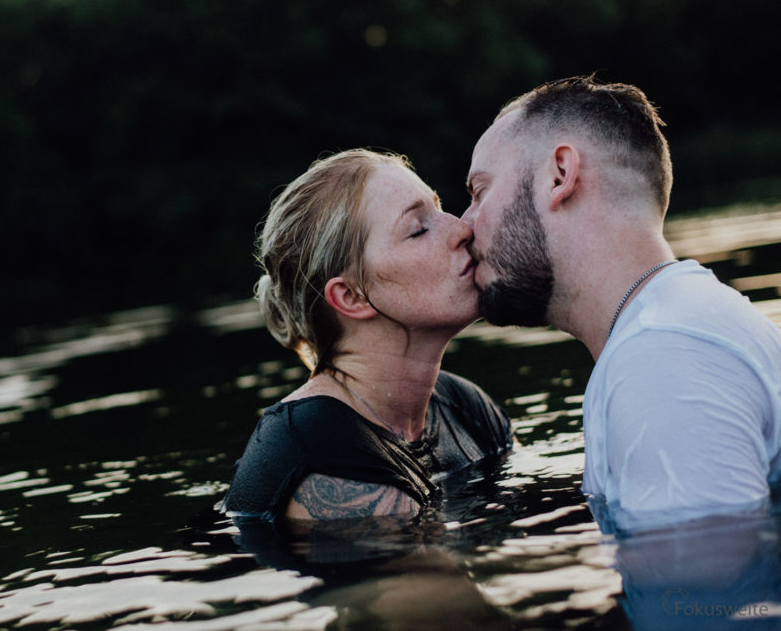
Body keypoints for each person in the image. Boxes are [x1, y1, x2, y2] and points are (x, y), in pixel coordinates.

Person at [461, 75, 781, 527]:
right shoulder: (668, 328)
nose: (465, 224)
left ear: (559, 175)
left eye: (479, 192)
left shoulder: (661, 356)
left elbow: (704, 589)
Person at [222, 148, 512, 523]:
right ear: (352, 297)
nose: (461, 229)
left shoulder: (464, 407)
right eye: (419, 229)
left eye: (439, 209)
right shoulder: (321, 447)